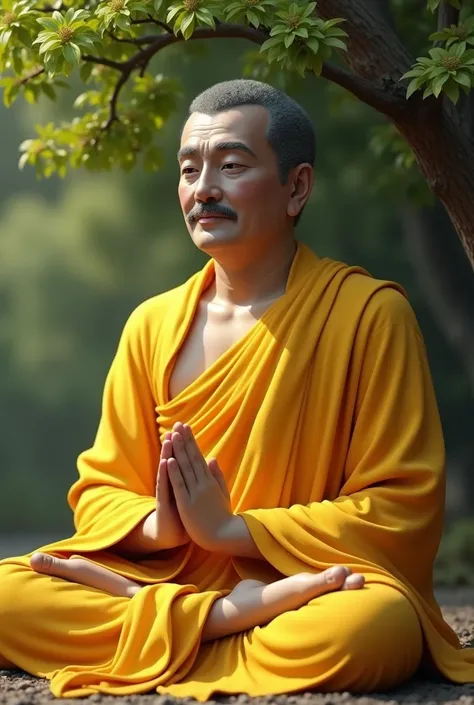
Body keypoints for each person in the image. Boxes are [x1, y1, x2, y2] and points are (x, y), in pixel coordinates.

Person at [0, 78, 473, 699]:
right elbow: (103, 489)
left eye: (230, 166)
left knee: (370, 626)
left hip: (304, 582)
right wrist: (160, 526)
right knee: (9, 592)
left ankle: (163, 625)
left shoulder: (366, 313)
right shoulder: (153, 324)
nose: (204, 190)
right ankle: (226, 621)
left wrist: (232, 533)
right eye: (190, 169)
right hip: (203, 584)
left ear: (296, 187)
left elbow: (399, 504)